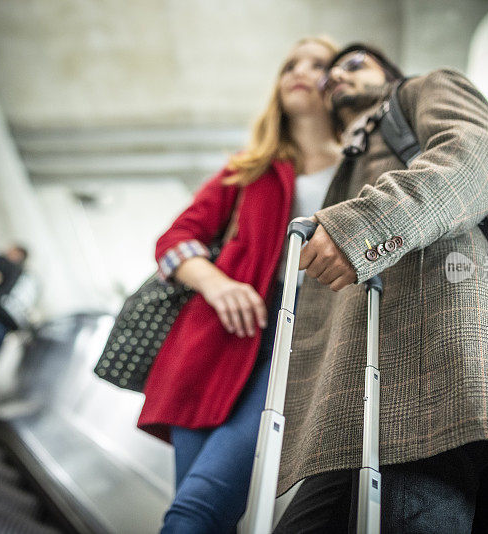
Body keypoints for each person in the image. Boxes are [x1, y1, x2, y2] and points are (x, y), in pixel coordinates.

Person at [273, 44, 488, 533]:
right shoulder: (356, 154)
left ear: (388, 73)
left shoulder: (423, 88)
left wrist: (366, 225)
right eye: (331, 76)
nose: (337, 76)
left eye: (355, 64)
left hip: (436, 348)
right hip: (367, 383)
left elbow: (478, 152)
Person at [136, 37, 341, 533]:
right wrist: (216, 283)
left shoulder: (363, 168)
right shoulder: (250, 169)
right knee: (201, 513)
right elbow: (174, 240)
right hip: (213, 345)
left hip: (300, 351)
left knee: (195, 513)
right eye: (290, 63)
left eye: (317, 64)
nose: (299, 70)